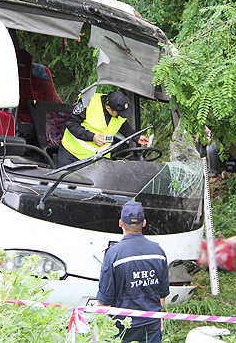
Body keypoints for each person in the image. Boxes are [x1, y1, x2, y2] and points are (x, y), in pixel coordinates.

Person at [97, 201, 169, 343]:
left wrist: (103, 329)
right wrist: (159, 316)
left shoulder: (113, 254)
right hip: (151, 326)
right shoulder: (158, 252)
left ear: (120, 223)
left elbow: (105, 299)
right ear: (144, 223)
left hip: (122, 329)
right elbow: (162, 293)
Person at [58, 91, 149, 166]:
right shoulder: (89, 102)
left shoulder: (119, 111)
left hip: (98, 159)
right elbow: (71, 123)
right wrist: (92, 137)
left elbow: (123, 126)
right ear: (108, 108)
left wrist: (136, 137)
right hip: (72, 154)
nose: (121, 116)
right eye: (119, 113)